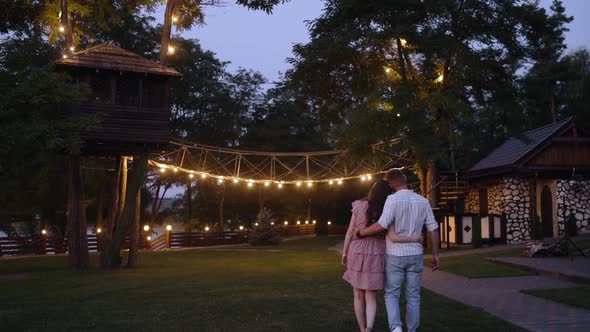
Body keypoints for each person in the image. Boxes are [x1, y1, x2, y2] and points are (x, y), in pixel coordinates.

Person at [356, 169, 440, 332]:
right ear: (405, 180)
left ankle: (396, 328)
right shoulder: (423, 201)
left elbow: (382, 225)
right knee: (414, 296)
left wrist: (360, 233)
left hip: (395, 255)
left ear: (391, 183)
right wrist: (436, 254)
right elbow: (433, 229)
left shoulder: (392, 200)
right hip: (415, 254)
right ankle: (412, 329)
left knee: (392, 294)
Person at [342, 179, 423, 332]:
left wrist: (345, 252)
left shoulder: (359, 205)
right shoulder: (386, 208)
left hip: (357, 249)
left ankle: (362, 329)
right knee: (370, 295)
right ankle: (370, 327)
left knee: (358, 294)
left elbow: (349, 231)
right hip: (377, 252)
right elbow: (392, 234)